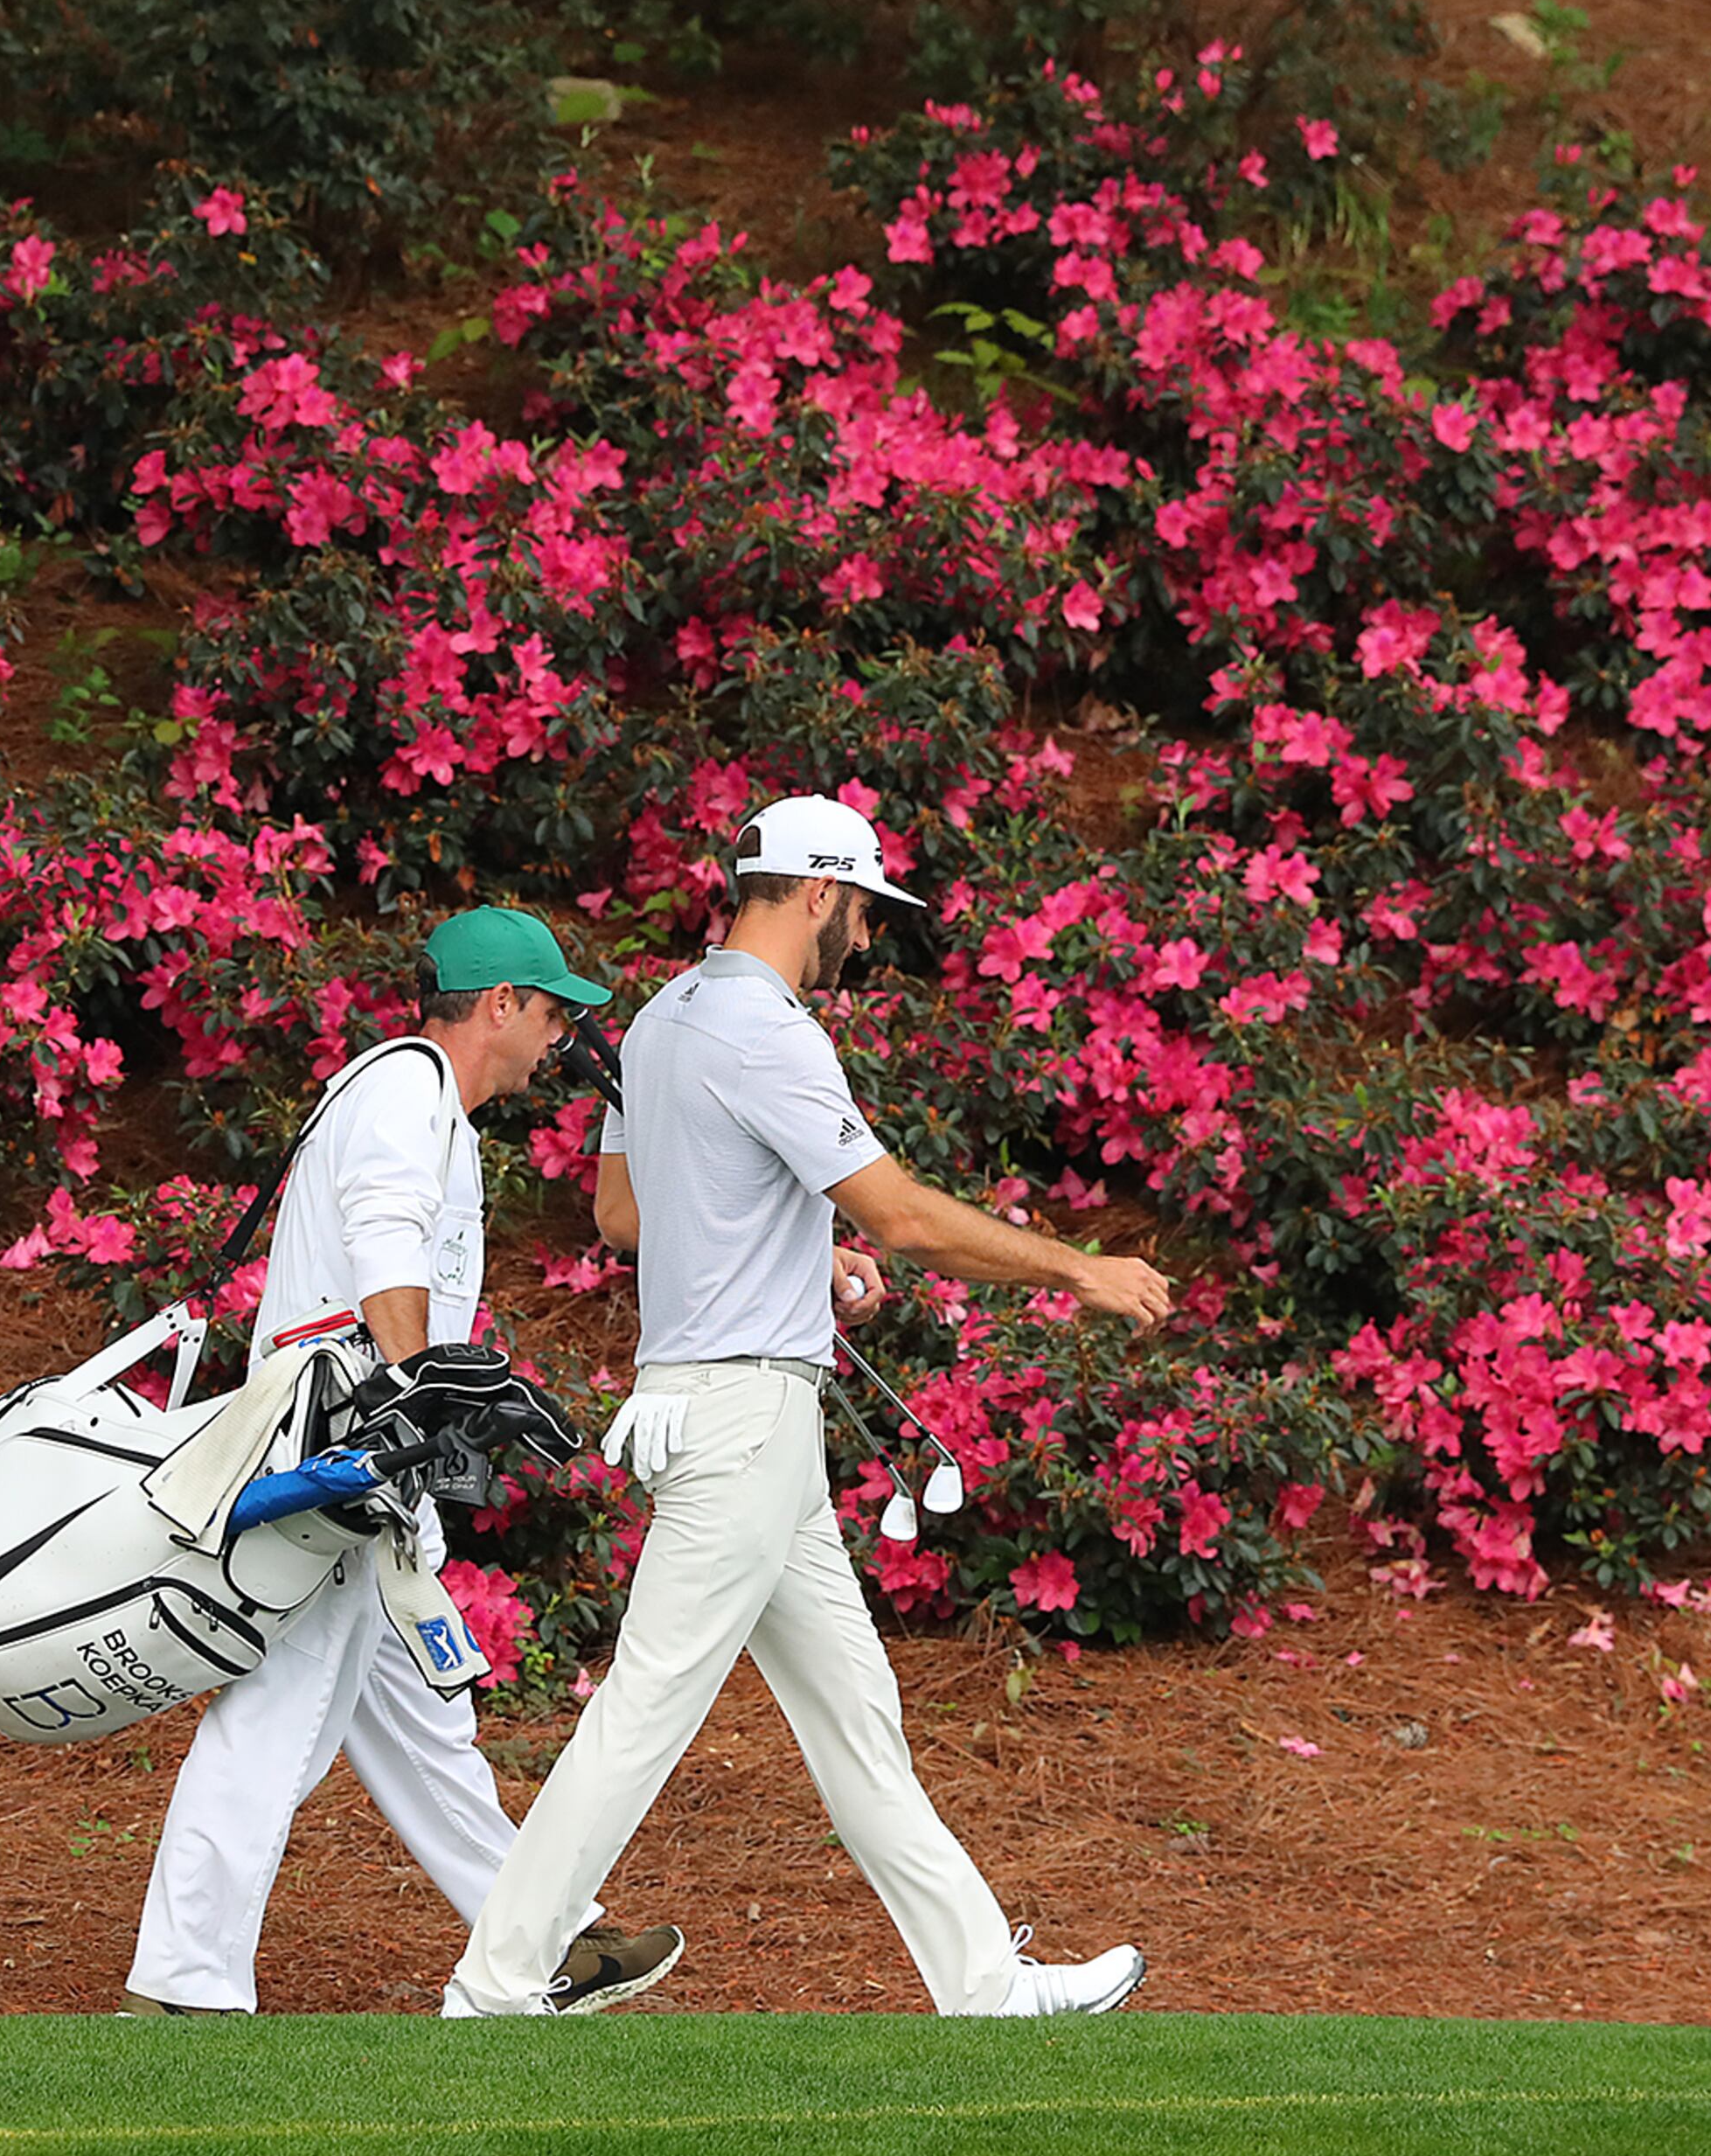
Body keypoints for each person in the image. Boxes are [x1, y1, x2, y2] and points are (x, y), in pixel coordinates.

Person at [443, 796, 1172, 2019]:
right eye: (867, 915)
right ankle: (500, 1979)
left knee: (855, 1716)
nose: (871, 942)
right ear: (822, 893)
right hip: (743, 1418)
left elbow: (628, 1217)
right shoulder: (764, 1028)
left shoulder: (667, 1017)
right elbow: (903, 1213)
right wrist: (1077, 1269)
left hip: (732, 1409)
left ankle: (984, 1980)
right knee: (644, 1712)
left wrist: (798, 1239)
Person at [123, 907, 685, 2018]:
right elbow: (385, 1248)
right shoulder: (409, 1089)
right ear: (502, 1004)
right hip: (345, 1452)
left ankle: (543, 1939)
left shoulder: (414, 1096)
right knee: (276, 1711)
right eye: (552, 1010)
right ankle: (185, 1984)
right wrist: (423, 1394)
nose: (559, 1037)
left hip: (362, 1447)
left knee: (427, 1727)